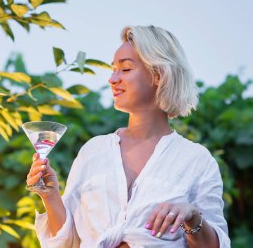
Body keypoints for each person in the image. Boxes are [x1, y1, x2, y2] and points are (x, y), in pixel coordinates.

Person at [26, 25, 230, 248]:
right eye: (113, 69)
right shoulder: (94, 150)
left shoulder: (196, 160)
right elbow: (68, 241)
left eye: (125, 69)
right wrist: (51, 195)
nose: (112, 79)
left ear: (158, 74)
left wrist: (192, 216)